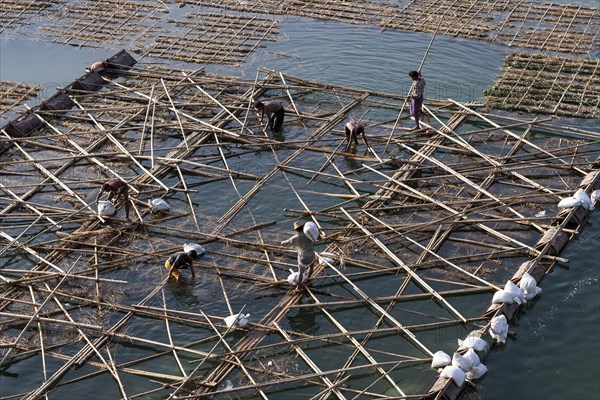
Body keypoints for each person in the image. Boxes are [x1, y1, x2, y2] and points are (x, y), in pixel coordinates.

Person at [281, 221, 317, 293]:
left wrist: (282, 242)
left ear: (296, 230)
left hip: (303, 257)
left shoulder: (295, 237)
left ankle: (298, 287)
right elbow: (317, 237)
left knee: (300, 272)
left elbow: (287, 242)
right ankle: (308, 278)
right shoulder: (309, 235)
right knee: (311, 267)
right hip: (312, 255)